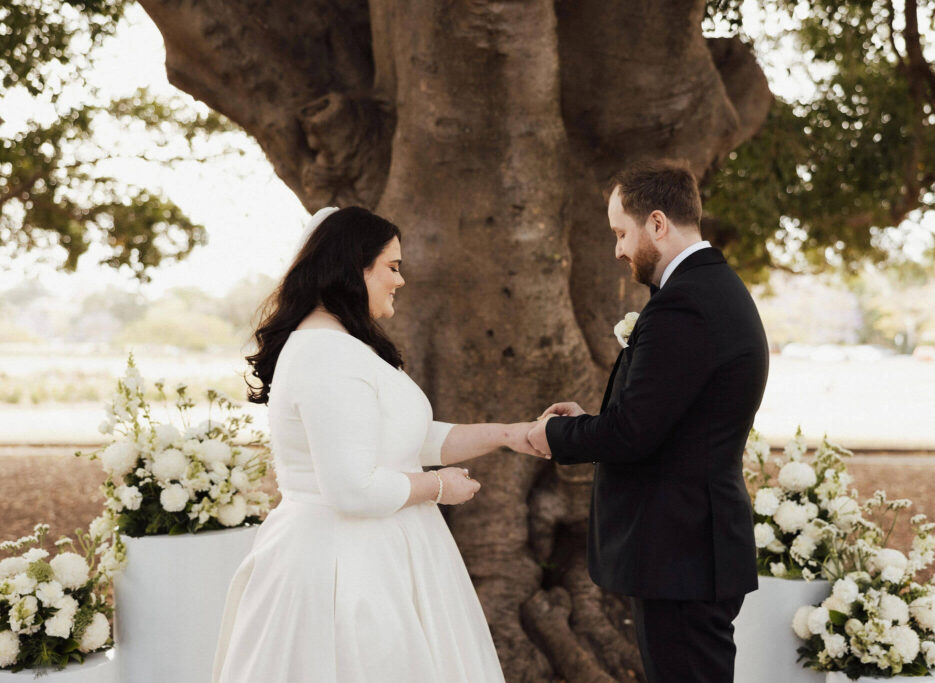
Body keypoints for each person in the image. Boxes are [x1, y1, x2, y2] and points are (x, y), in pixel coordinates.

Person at [213, 206, 538, 682]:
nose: (400, 280)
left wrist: (512, 435)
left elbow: (409, 441)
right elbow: (352, 489)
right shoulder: (327, 354)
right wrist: (439, 489)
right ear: (353, 268)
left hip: (379, 553)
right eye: (392, 267)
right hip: (347, 569)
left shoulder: (344, 348)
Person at [527, 160, 770, 683]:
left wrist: (552, 436)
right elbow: (663, 420)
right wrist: (591, 420)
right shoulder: (712, 290)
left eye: (620, 232)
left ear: (657, 223)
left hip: (681, 554)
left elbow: (632, 434)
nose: (617, 249)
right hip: (690, 549)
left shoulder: (685, 304)